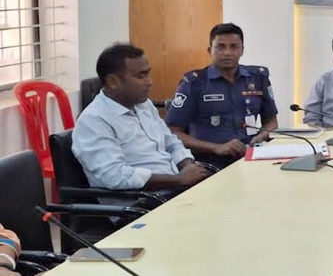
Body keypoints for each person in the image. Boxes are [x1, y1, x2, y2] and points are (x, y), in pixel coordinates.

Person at [73, 43, 210, 191]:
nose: (149, 81)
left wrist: (188, 166)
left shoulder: (144, 105)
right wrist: (179, 180)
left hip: (175, 188)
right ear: (113, 82)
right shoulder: (94, 121)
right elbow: (115, 176)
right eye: (141, 76)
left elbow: (171, 143)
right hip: (144, 199)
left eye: (148, 74)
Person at [165, 23, 278, 169]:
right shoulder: (194, 83)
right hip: (209, 161)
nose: (227, 53)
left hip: (250, 157)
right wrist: (216, 148)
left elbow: (271, 121)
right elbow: (172, 132)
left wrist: (261, 136)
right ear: (209, 50)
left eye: (234, 47)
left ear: (242, 50)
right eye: (221, 47)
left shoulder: (257, 78)